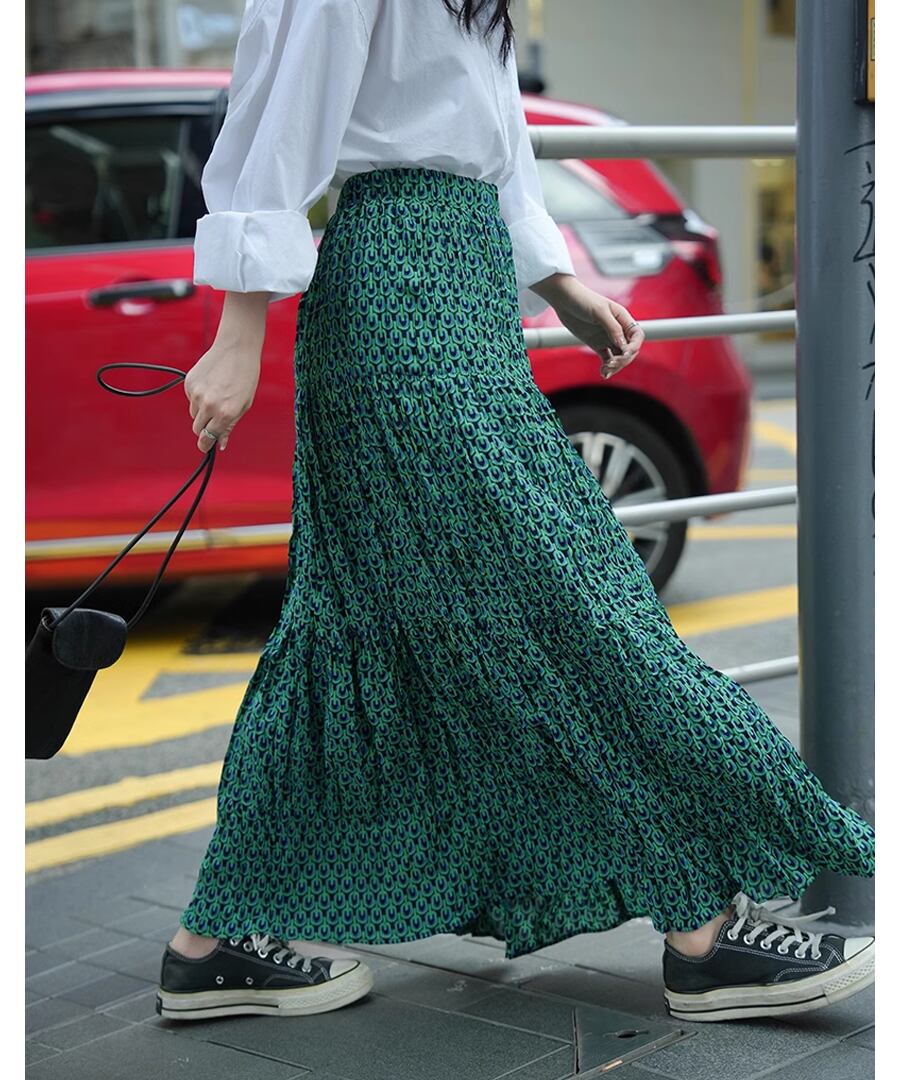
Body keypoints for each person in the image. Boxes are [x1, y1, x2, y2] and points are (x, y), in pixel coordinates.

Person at [155, 0, 875, 1025]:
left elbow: (491, 127)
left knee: (385, 617)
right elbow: (280, 107)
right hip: (399, 296)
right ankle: (703, 929)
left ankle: (216, 940)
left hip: (466, 289)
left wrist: (559, 280)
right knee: (564, 608)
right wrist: (239, 328)